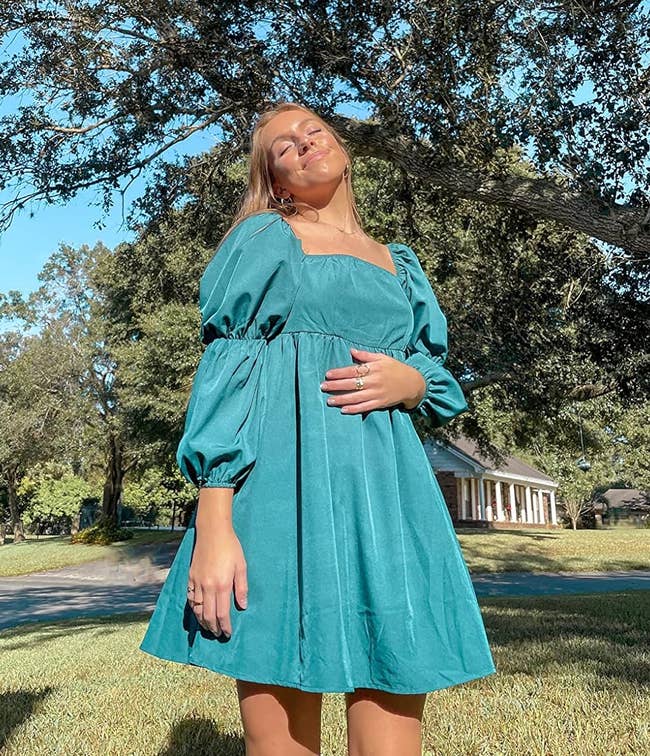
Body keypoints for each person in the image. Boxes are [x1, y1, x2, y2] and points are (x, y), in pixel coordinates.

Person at [139, 101, 496, 756]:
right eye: (283, 146)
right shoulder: (265, 239)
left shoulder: (401, 263)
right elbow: (229, 370)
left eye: (314, 130)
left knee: (393, 717)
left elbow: (431, 370)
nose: (303, 143)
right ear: (274, 180)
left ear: (342, 148)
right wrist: (214, 526)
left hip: (388, 498)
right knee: (280, 738)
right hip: (280, 499)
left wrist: (414, 383)